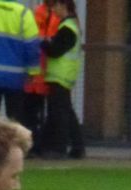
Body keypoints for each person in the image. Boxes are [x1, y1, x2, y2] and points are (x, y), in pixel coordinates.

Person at [41, 0, 83, 159]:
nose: (53, 10)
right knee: (66, 112)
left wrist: (44, 44)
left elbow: (55, 51)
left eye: (55, 6)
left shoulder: (66, 28)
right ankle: (77, 147)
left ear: (62, 5)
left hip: (59, 76)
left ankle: (59, 148)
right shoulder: (72, 26)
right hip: (65, 76)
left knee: (59, 113)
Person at [20, 1, 58, 154]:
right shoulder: (39, 14)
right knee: (30, 113)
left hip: (42, 76)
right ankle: (32, 146)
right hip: (37, 76)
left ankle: (36, 146)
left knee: (35, 114)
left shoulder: (44, 15)